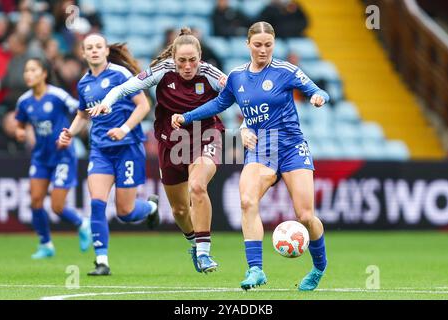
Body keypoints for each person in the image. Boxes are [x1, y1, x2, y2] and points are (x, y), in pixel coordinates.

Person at [171, 21, 329, 291]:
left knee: (305, 216)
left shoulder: (285, 71)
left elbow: (317, 89)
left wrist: (317, 98)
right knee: (246, 201)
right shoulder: (237, 77)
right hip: (261, 147)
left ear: (274, 44)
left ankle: (318, 266)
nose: (263, 50)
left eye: (268, 45)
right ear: (248, 45)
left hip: (291, 146)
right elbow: (219, 104)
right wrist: (187, 117)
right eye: (258, 45)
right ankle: (255, 269)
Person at [88, 28, 227, 274]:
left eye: (192, 60)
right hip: (171, 144)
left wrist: (249, 125)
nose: (187, 66)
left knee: (197, 186)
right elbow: (124, 89)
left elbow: (242, 94)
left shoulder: (211, 73)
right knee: (180, 209)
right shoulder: (162, 71)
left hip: (206, 136)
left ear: (200, 56)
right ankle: (194, 244)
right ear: (173, 58)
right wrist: (107, 103)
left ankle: (205, 253)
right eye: (182, 60)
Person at [58, 34, 159, 276]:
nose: (94, 51)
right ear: (83, 53)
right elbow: (83, 115)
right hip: (101, 150)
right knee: (96, 203)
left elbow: (143, 105)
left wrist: (124, 129)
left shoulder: (120, 74)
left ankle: (150, 208)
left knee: (125, 212)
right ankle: (101, 261)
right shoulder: (83, 83)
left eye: (98, 47)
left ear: (105, 51)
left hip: (128, 148)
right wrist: (69, 133)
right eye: (89, 48)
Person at [14, 57, 92, 259]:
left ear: (44, 74)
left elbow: (81, 112)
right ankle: (46, 244)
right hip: (40, 157)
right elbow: (19, 123)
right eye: (26, 70)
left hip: (62, 156)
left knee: (57, 206)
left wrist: (70, 135)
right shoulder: (24, 101)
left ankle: (82, 223)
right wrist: (20, 132)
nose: (28, 74)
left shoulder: (57, 96)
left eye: (33, 70)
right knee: (35, 201)